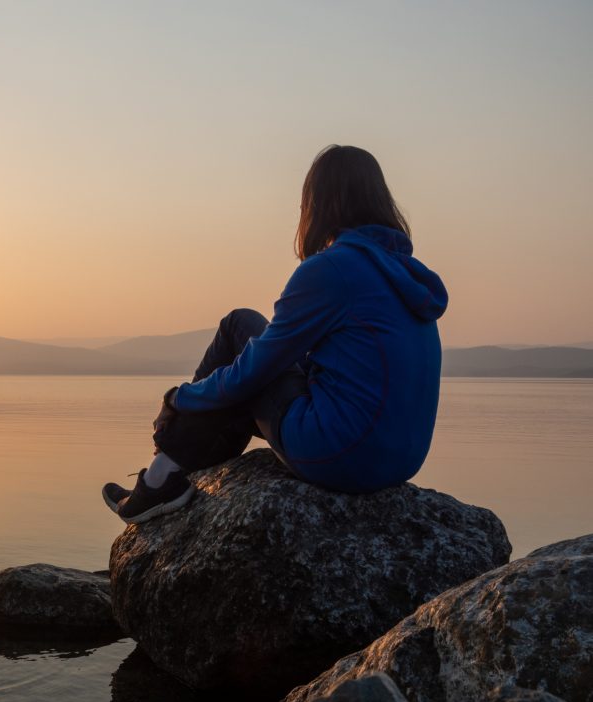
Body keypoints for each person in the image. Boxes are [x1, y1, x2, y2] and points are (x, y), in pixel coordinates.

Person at [103, 144, 448, 524]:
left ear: (317, 202)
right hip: (399, 460)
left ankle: (161, 476)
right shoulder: (406, 275)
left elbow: (254, 371)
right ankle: (170, 474)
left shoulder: (332, 270)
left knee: (241, 326)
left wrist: (178, 398)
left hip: (340, 454)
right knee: (252, 367)